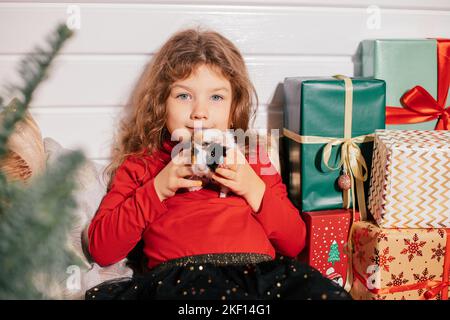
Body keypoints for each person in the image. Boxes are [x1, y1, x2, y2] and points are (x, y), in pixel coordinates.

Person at [84, 28, 351, 300]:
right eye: (184, 96)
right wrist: (158, 188)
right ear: (161, 103)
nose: (200, 111)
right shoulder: (143, 165)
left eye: (216, 97)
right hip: (181, 280)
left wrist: (253, 189)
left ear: (234, 108)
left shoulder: (251, 158)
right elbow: (102, 249)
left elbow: (295, 242)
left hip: (259, 277)